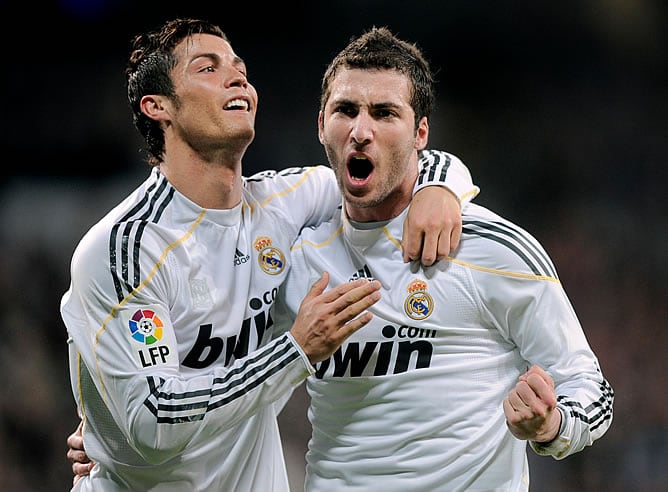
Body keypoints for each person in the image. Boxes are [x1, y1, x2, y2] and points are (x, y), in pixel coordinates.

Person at [61, 18, 478, 491]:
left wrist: (441, 185)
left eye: (239, 68)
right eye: (208, 68)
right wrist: (296, 349)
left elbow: (394, 165)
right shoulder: (128, 247)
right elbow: (155, 421)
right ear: (158, 107)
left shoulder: (287, 202)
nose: (237, 77)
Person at [266, 26, 614, 491]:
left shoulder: (491, 247)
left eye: (385, 113)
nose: (361, 131)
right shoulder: (295, 259)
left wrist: (551, 428)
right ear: (321, 124)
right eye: (345, 110)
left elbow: (592, 389)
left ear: (420, 132)